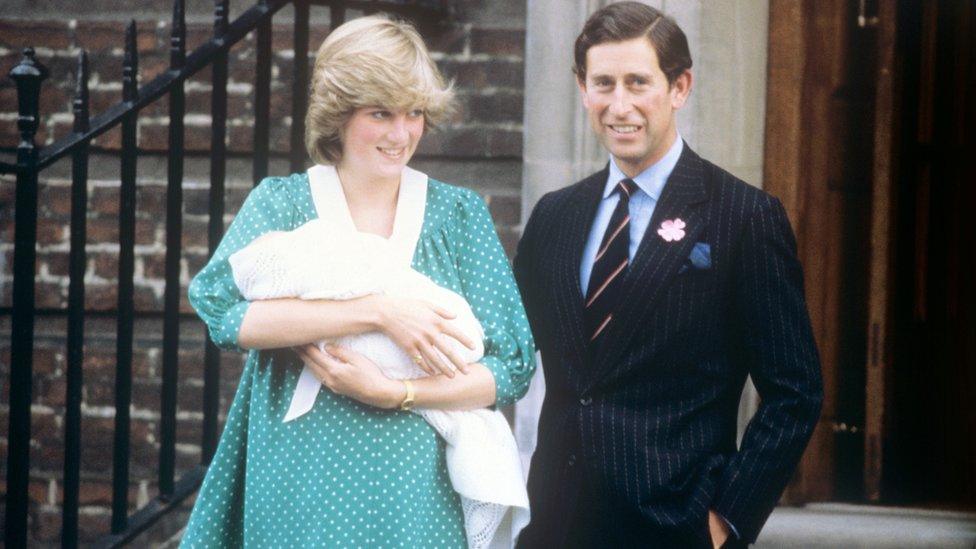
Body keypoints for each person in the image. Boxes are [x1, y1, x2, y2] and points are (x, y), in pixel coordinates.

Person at [181, 15, 535, 548]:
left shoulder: (457, 216)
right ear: (337, 116)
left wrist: (397, 392)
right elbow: (222, 313)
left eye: (414, 113)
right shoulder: (284, 204)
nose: (401, 134)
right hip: (300, 476)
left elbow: (512, 368)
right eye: (380, 114)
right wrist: (379, 311)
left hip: (417, 489)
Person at [513, 3, 823, 548]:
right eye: (603, 83)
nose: (619, 105)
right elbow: (511, 353)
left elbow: (795, 392)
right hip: (556, 527)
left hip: (676, 527)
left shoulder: (743, 217)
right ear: (582, 88)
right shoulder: (554, 216)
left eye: (638, 83)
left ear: (680, 87)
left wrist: (727, 520)